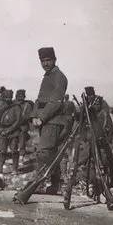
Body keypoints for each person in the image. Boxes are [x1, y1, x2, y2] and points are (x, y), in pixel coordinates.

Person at [31, 46, 69, 194]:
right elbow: (40, 99)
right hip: (47, 121)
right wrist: (34, 115)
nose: (45, 63)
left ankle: (37, 185)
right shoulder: (48, 76)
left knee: (43, 153)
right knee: (52, 154)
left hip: (54, 121)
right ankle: (55, 185)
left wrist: (41, 117)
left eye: (48, 60)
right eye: (43, 61)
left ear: (54, 60)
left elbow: (55, 101)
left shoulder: (58, 76)